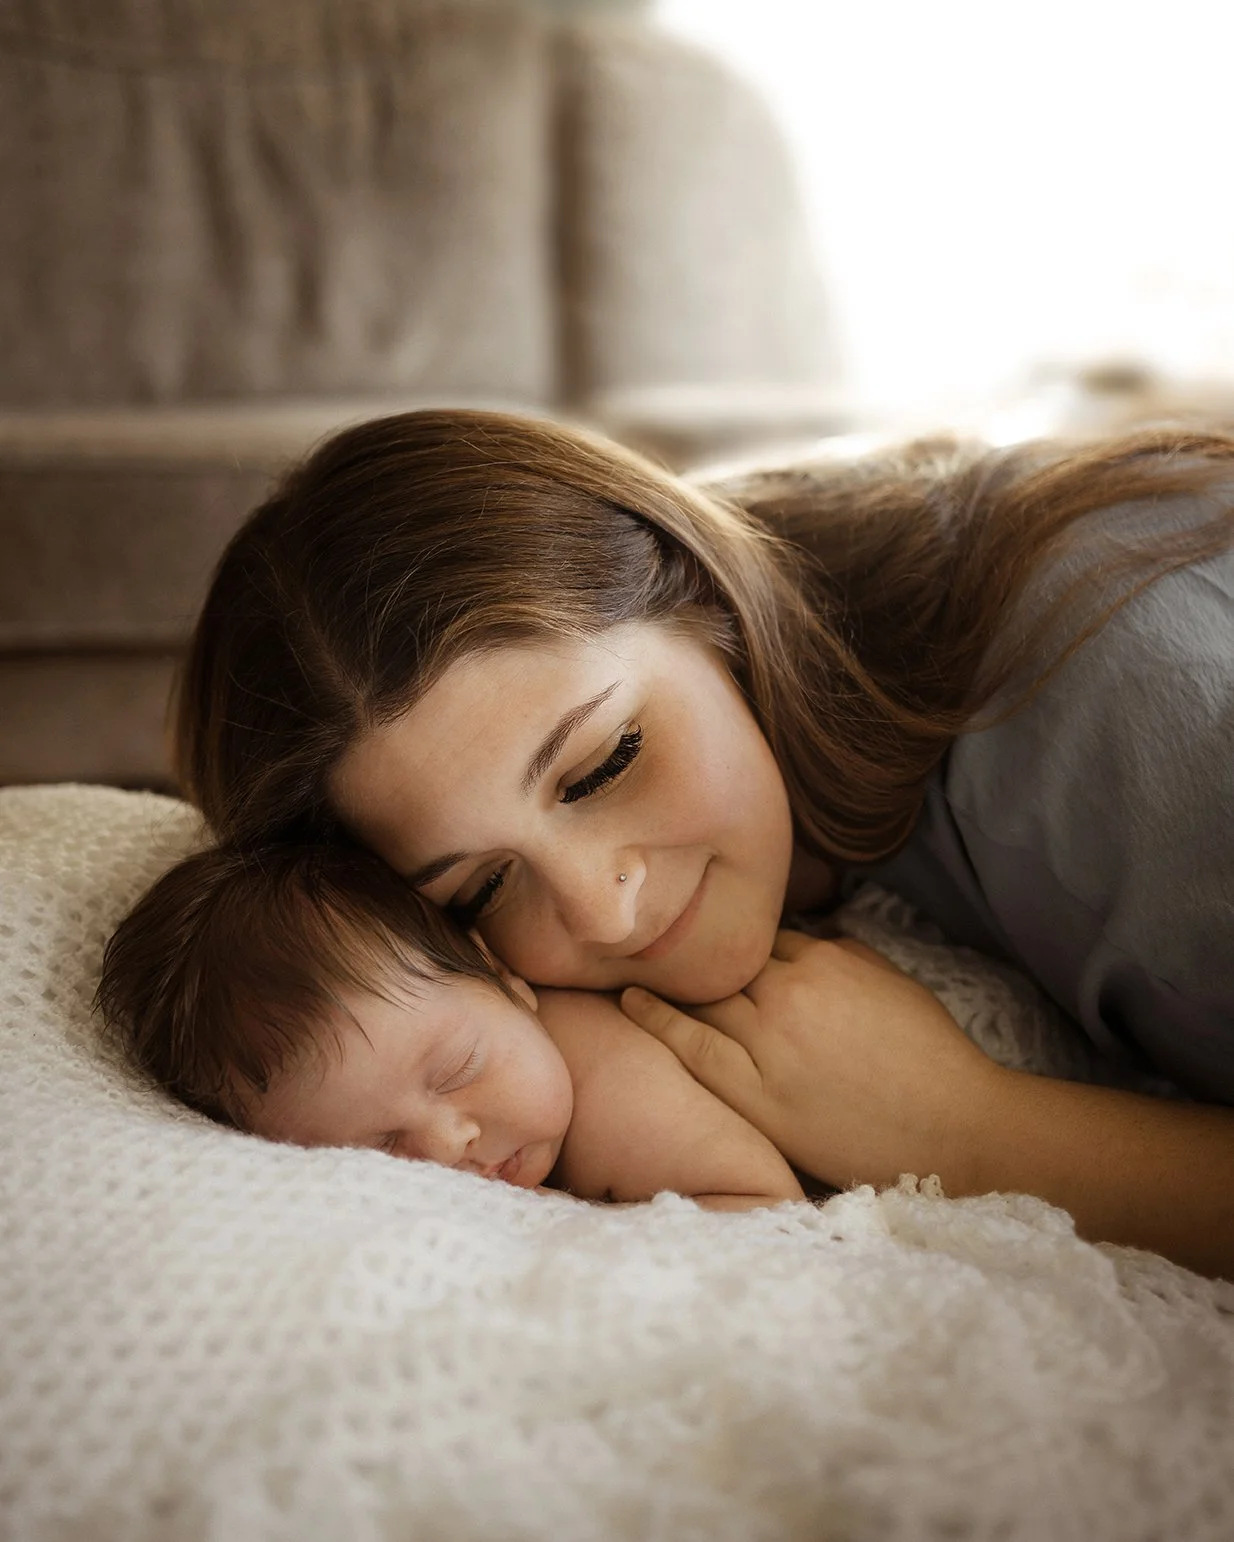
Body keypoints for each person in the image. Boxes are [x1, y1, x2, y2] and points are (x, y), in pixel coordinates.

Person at [174, 408, 1234, 1278]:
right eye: (481, 891)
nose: (602, 910)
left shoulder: (1129, 714)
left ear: (709, 599)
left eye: (603, 764)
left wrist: (970, 1130)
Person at [96, 839, 809, 1209]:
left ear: (503, 976)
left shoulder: (603, 1081)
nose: (446, 1145)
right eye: (380, 1147)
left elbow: (766, 1209)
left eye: (458, 1069)